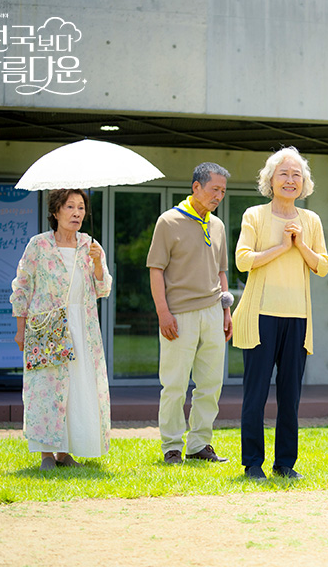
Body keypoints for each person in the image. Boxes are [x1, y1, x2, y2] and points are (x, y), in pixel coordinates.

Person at [232, 148, 328, 480]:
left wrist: (300, 244)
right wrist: (280, 248)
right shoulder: (254, 216)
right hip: (259, 315)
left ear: (304, 184)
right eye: (283, 174)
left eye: (297, 175)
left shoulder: (310, 221)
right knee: (256, 394)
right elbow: (242, 260)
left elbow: (322, 265)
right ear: (270, 180)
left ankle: (285, 463)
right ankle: (252, 464)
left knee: (291, 396)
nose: (290, 180)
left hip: (298, 318)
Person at [11, 189, 112, 470]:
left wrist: (97, 263)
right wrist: (20, 328)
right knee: (46, 389)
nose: (77, 213)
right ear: (56, 212)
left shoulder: (90, 246)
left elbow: (103, 288)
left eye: (81, 207)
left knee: (78, 389)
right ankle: (46, 454)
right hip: (47, 325)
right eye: (70, 206)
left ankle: (66, 453)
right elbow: (22, 286)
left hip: (83, 327)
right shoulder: (39, 245)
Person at [147, 162, 233, 465]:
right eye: (214, 190)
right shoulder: (168, 222)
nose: (219, 196)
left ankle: (199, 444)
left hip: (213, 312)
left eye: (223, 191)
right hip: (178, 315)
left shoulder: (218, 225)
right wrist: (163, 313)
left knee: (210, 384)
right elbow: (155, 269)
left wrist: (226, 311)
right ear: (196, 187)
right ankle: (171, 446)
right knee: (174, 384)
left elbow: (221, 272)